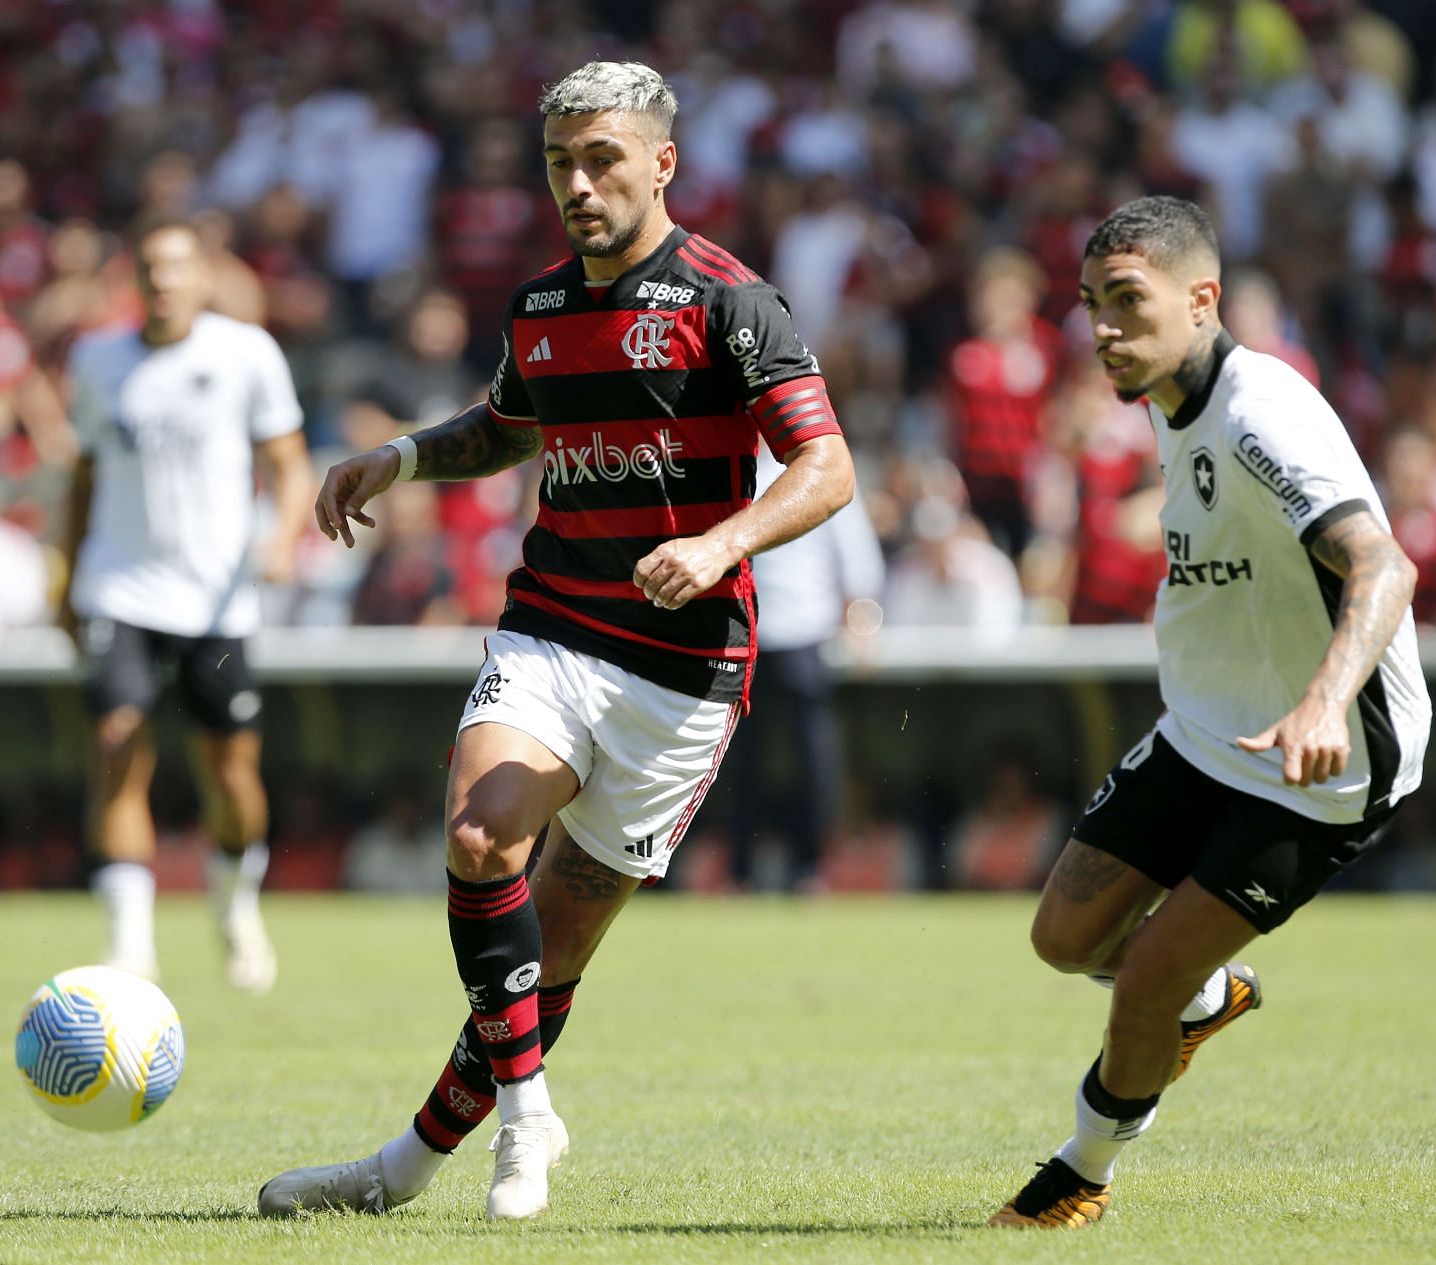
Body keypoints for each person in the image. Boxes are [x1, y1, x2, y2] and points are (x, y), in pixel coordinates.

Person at [257, 60, 854, 1221]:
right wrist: (404, 456)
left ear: (662, 162)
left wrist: (724, 541)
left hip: (685, 669)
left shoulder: (732, 301)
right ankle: (529, 1116)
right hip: (556, 624)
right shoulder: (539, 308)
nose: (578, 186)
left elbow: (827, 467)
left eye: (602, 160)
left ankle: (403, 1165)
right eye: (559, 164)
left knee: (555, 951)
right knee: (484, 838)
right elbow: (505, 427)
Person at [989, 197, 1429, 1228]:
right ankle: (1204, 996)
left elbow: (1382, 561)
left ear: (1203, 300)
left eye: (1127, 302)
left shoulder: (1260, 412)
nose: (1101, 326)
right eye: (1091, 302)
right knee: (1063, 937)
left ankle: (1080, 1175)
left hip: (1322, 761)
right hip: (1205, 729)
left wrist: (1322, 701)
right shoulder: (1163, 392)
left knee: (1139, 978)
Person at [60, 216, 315, 991]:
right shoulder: (97, 361)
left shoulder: (244, 354)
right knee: (116, 742)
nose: (163, 280)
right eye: (150, 266)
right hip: (120, 586)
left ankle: (235, 908)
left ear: (203, 279)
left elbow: (290, 463)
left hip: (218, 600)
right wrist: (65, 573)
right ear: (133, 280)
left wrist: (281, 540)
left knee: (232, 773)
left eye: (178, 267)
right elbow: (84, 474)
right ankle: (129, 944)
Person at [722, 446, 882, 893]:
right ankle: (740, 869)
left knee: (813, 760)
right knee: (738, 761)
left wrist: (862, 622)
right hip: (742, 635)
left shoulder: (818, 463)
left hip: (802, 629)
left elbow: (855, 554)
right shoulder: (735, 466)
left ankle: (810, 866)